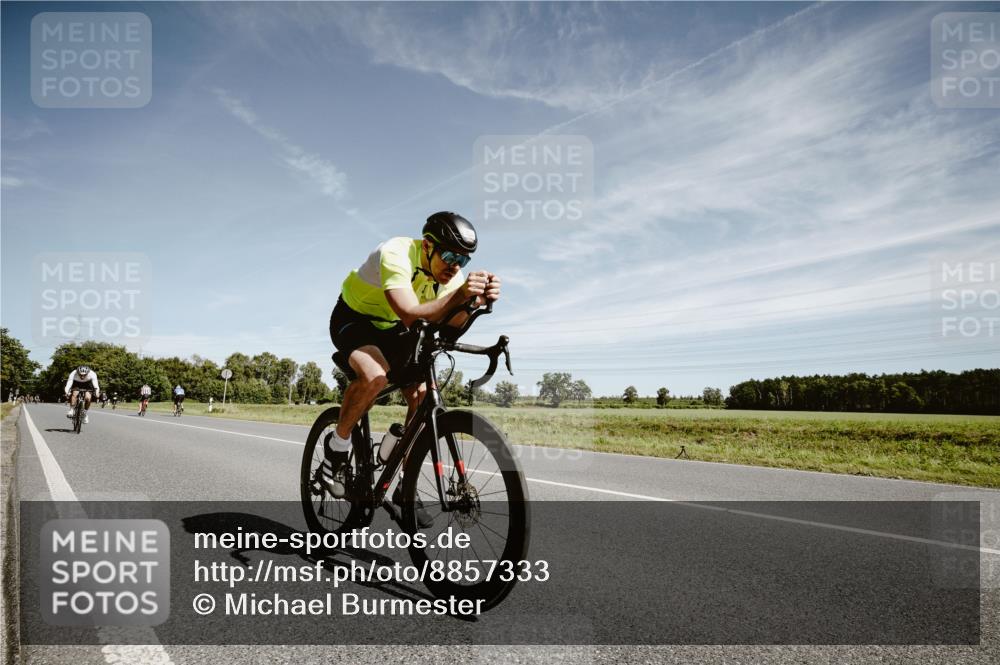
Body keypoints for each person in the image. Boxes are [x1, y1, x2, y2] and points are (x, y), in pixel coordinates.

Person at [325, 211, 500, 527]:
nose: (455, 265)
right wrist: (459, 297)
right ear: (428, 246)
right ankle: (338, 444)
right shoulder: (396, 252)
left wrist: (472, 305)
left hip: (393, 329)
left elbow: (448, 328)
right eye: (448, 255)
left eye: (463, 259)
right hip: (355, 318)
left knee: (421, 393)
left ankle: (404, 483)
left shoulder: (452, 277)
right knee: (375, 375)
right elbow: (410, 313)